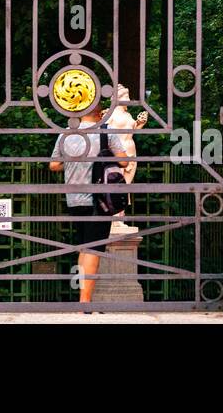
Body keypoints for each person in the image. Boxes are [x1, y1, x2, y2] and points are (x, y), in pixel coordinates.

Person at [49, 105, 130, 303]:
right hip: (99, 200)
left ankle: (82, 299)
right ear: (99, 113)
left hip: (73, 200)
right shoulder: (106, 133)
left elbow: (54, 165)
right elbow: (125, 162)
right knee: (93, 250)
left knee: (83, 248)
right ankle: (84, 302)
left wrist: (74, 162)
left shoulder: (66, 134)